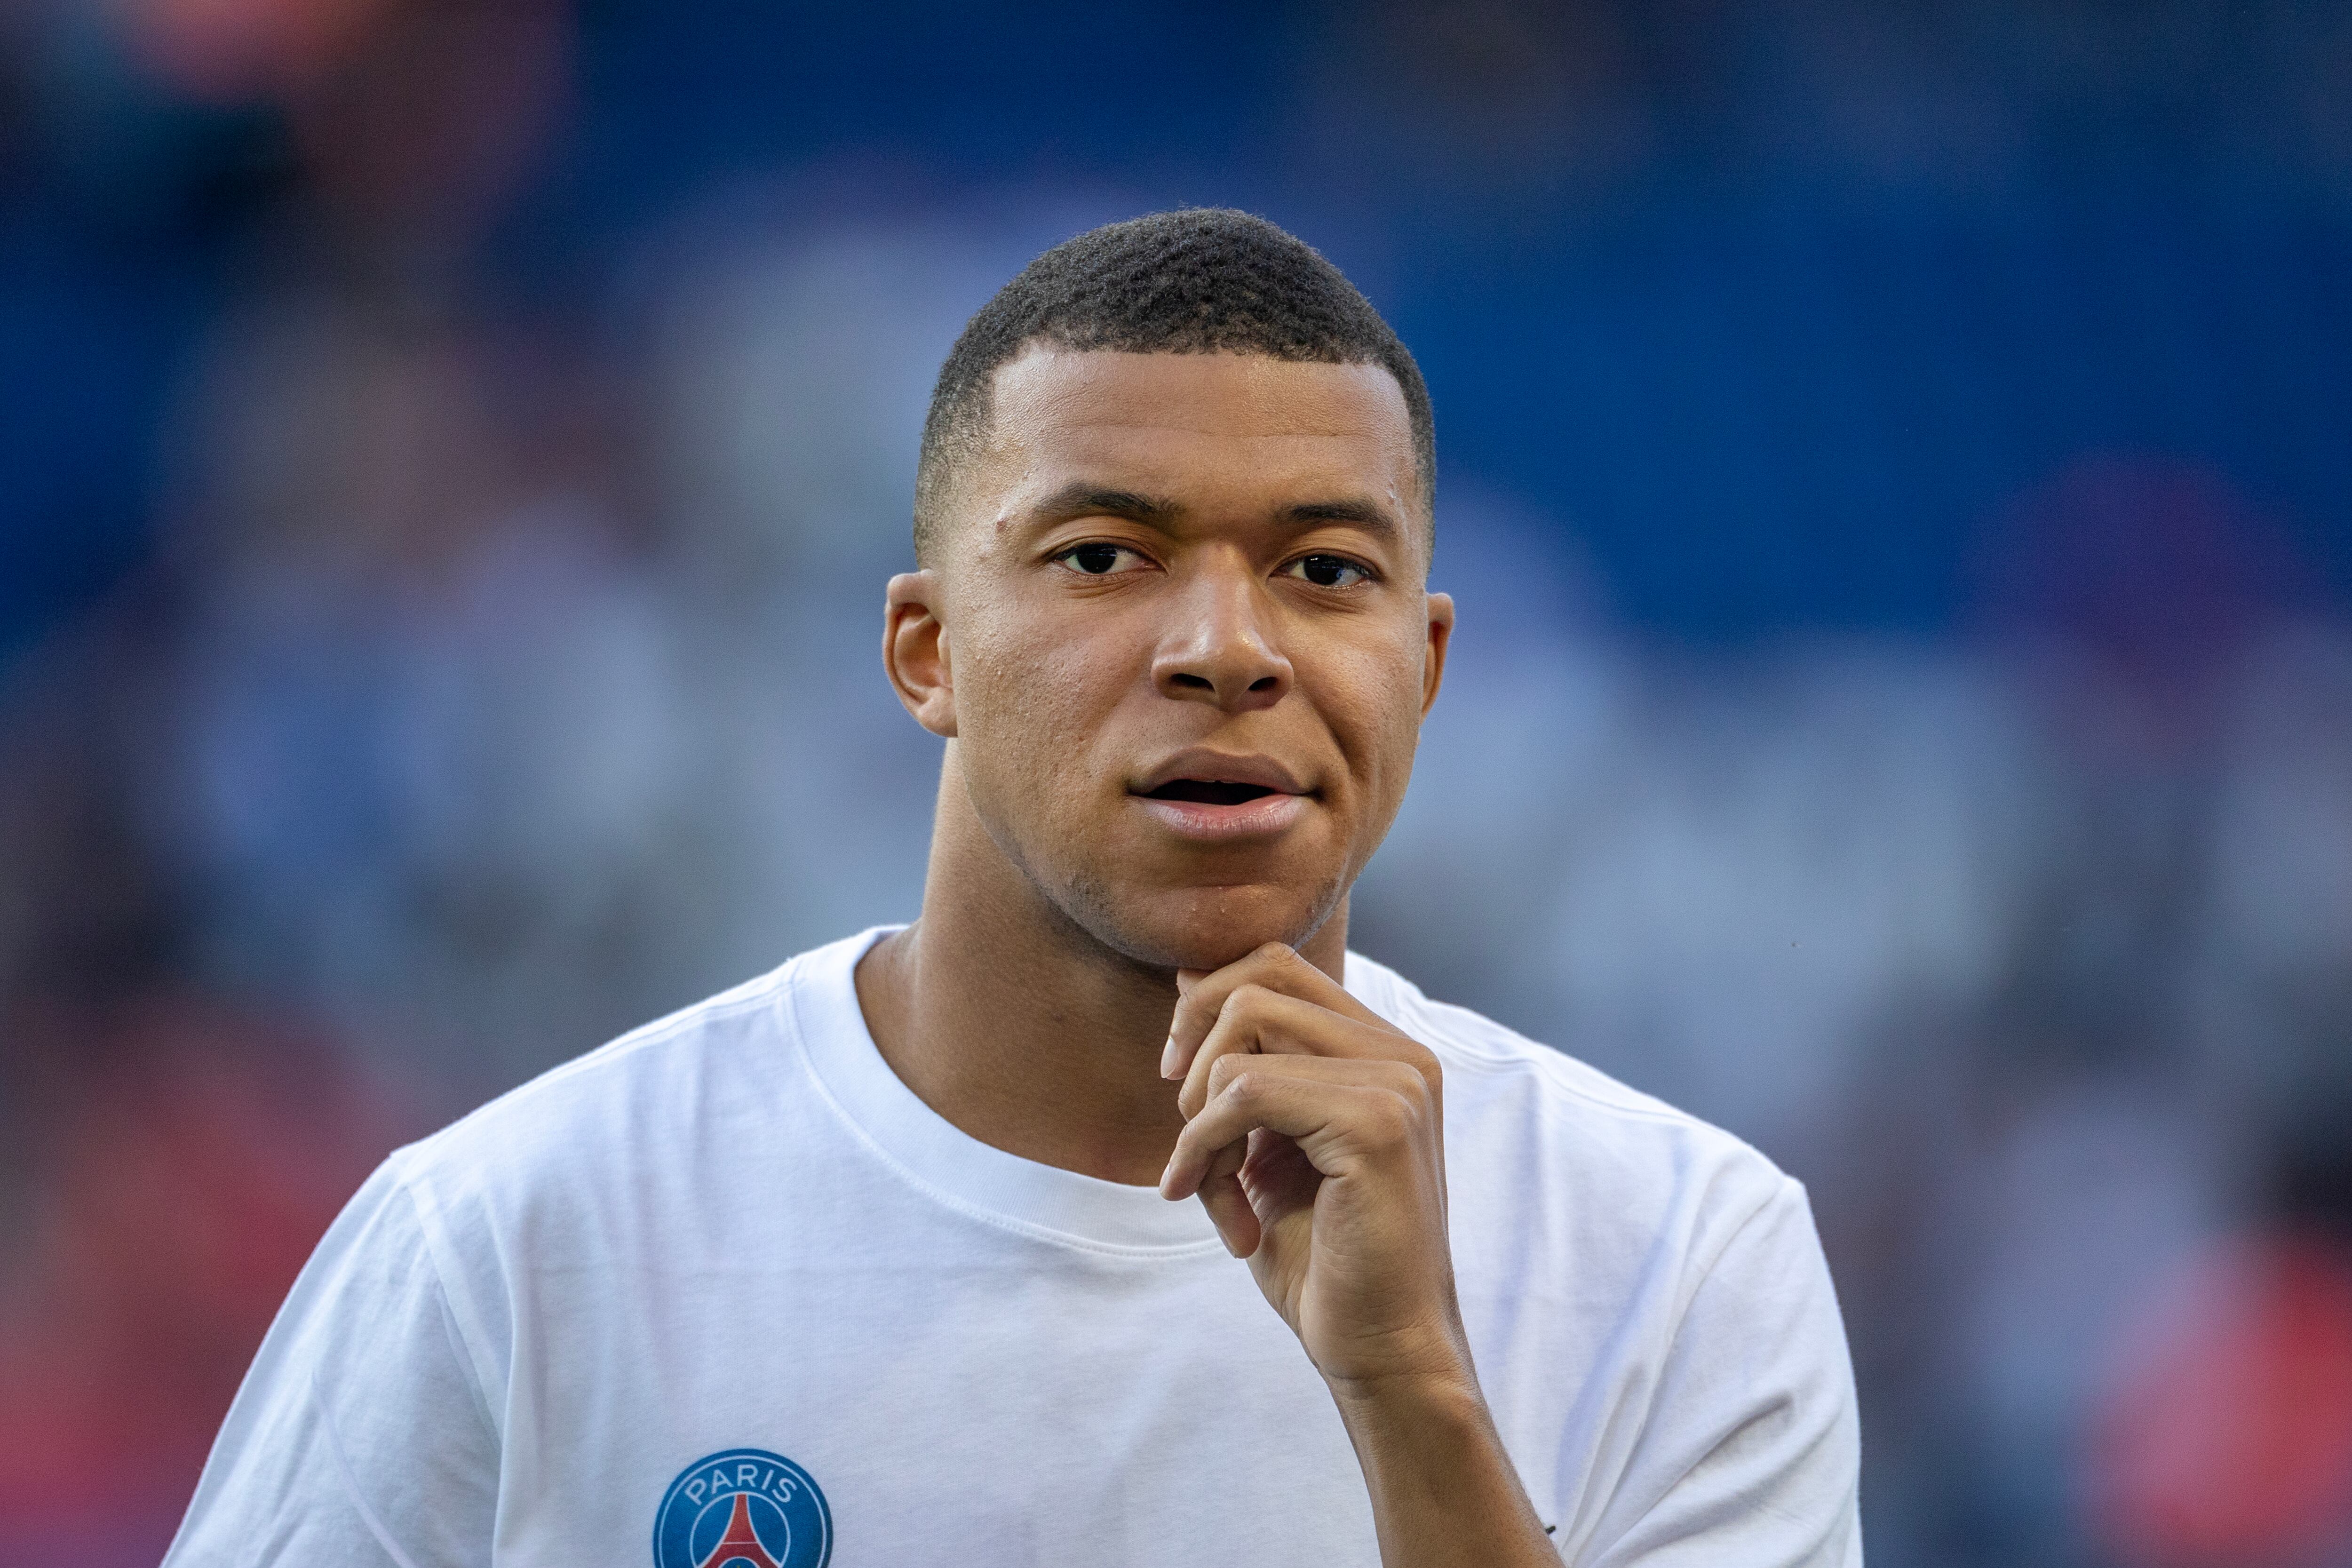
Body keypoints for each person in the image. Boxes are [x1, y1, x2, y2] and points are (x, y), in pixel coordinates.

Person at [162, 209, 1861, 1567]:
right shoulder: (515, 1245)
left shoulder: (1680, 1257)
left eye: (1324, 570)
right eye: (1104, 557)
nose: (1225, 650)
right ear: (928, 651)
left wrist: (1412, 1393)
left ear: (1422, 666)